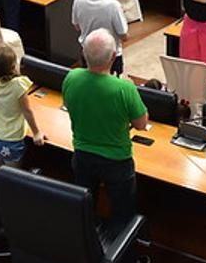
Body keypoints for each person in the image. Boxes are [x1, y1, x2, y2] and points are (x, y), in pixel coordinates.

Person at [63, 29, 150, 236]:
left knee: (85, 210)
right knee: (122, 214)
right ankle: (120, 258)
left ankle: (88, 251)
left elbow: (67, 104)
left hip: (82, 156)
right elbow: (141, 123)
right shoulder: (124, 89)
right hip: (117, 162)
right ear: (113, 57)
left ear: (84, 54)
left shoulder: (71, 77)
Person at [0, 44, 45, 163]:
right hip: (12, 140)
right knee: (11, 175)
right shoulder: (18, 85)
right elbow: (27, 111)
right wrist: (36, 133)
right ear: (13, 66)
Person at [72, 0, 129, 75]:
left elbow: (76, 26)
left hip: (87, 53)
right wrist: (121, 16)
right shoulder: (113, 5)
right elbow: (124, 36)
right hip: (111, 57)